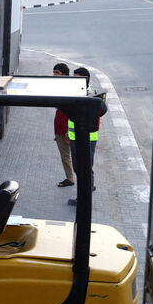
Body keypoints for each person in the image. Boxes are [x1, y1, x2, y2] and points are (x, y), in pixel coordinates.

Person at [67, 67, 105, 205]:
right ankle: (89, 186)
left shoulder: (89, 95)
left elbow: (102, 110)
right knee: (80, 167)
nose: (73, 81)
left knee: (83, 167)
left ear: (85, 79)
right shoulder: (76, 92)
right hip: (75, 137)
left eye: (76, 78)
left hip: (86, 138)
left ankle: (83, 198)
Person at [52, 63, 75, 187]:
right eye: (54, 72)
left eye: (57, 73)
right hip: (59, 127)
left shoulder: (69, 89)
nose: (54, 75)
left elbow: (71, 114)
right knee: (64, 155)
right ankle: (69, 177)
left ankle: (70, 178)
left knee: (67, 156)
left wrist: (67, 133)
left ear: (65, 75)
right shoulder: (59, 88)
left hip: (66, 129)